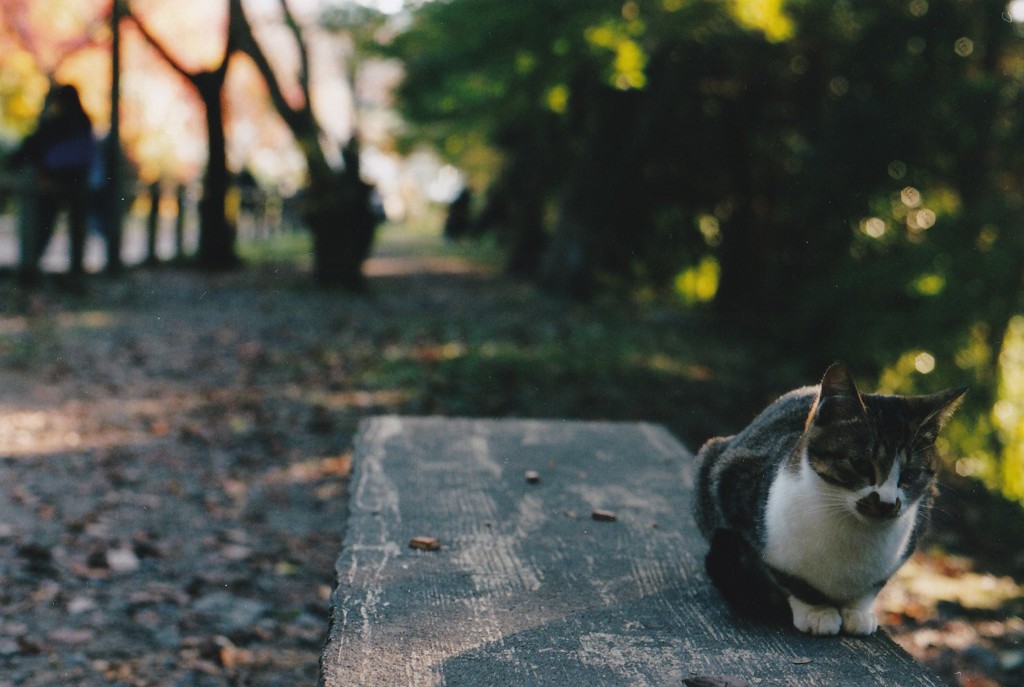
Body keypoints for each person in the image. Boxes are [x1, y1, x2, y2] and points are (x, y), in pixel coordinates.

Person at [9, 83, 97, 280]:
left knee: (44, 223)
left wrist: (13, 161)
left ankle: (31, 265)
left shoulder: (55, 123)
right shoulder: (84, 122)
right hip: (77, 181)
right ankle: (75, 269)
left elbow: (33, 145)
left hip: (53, 180)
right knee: (73, 228)